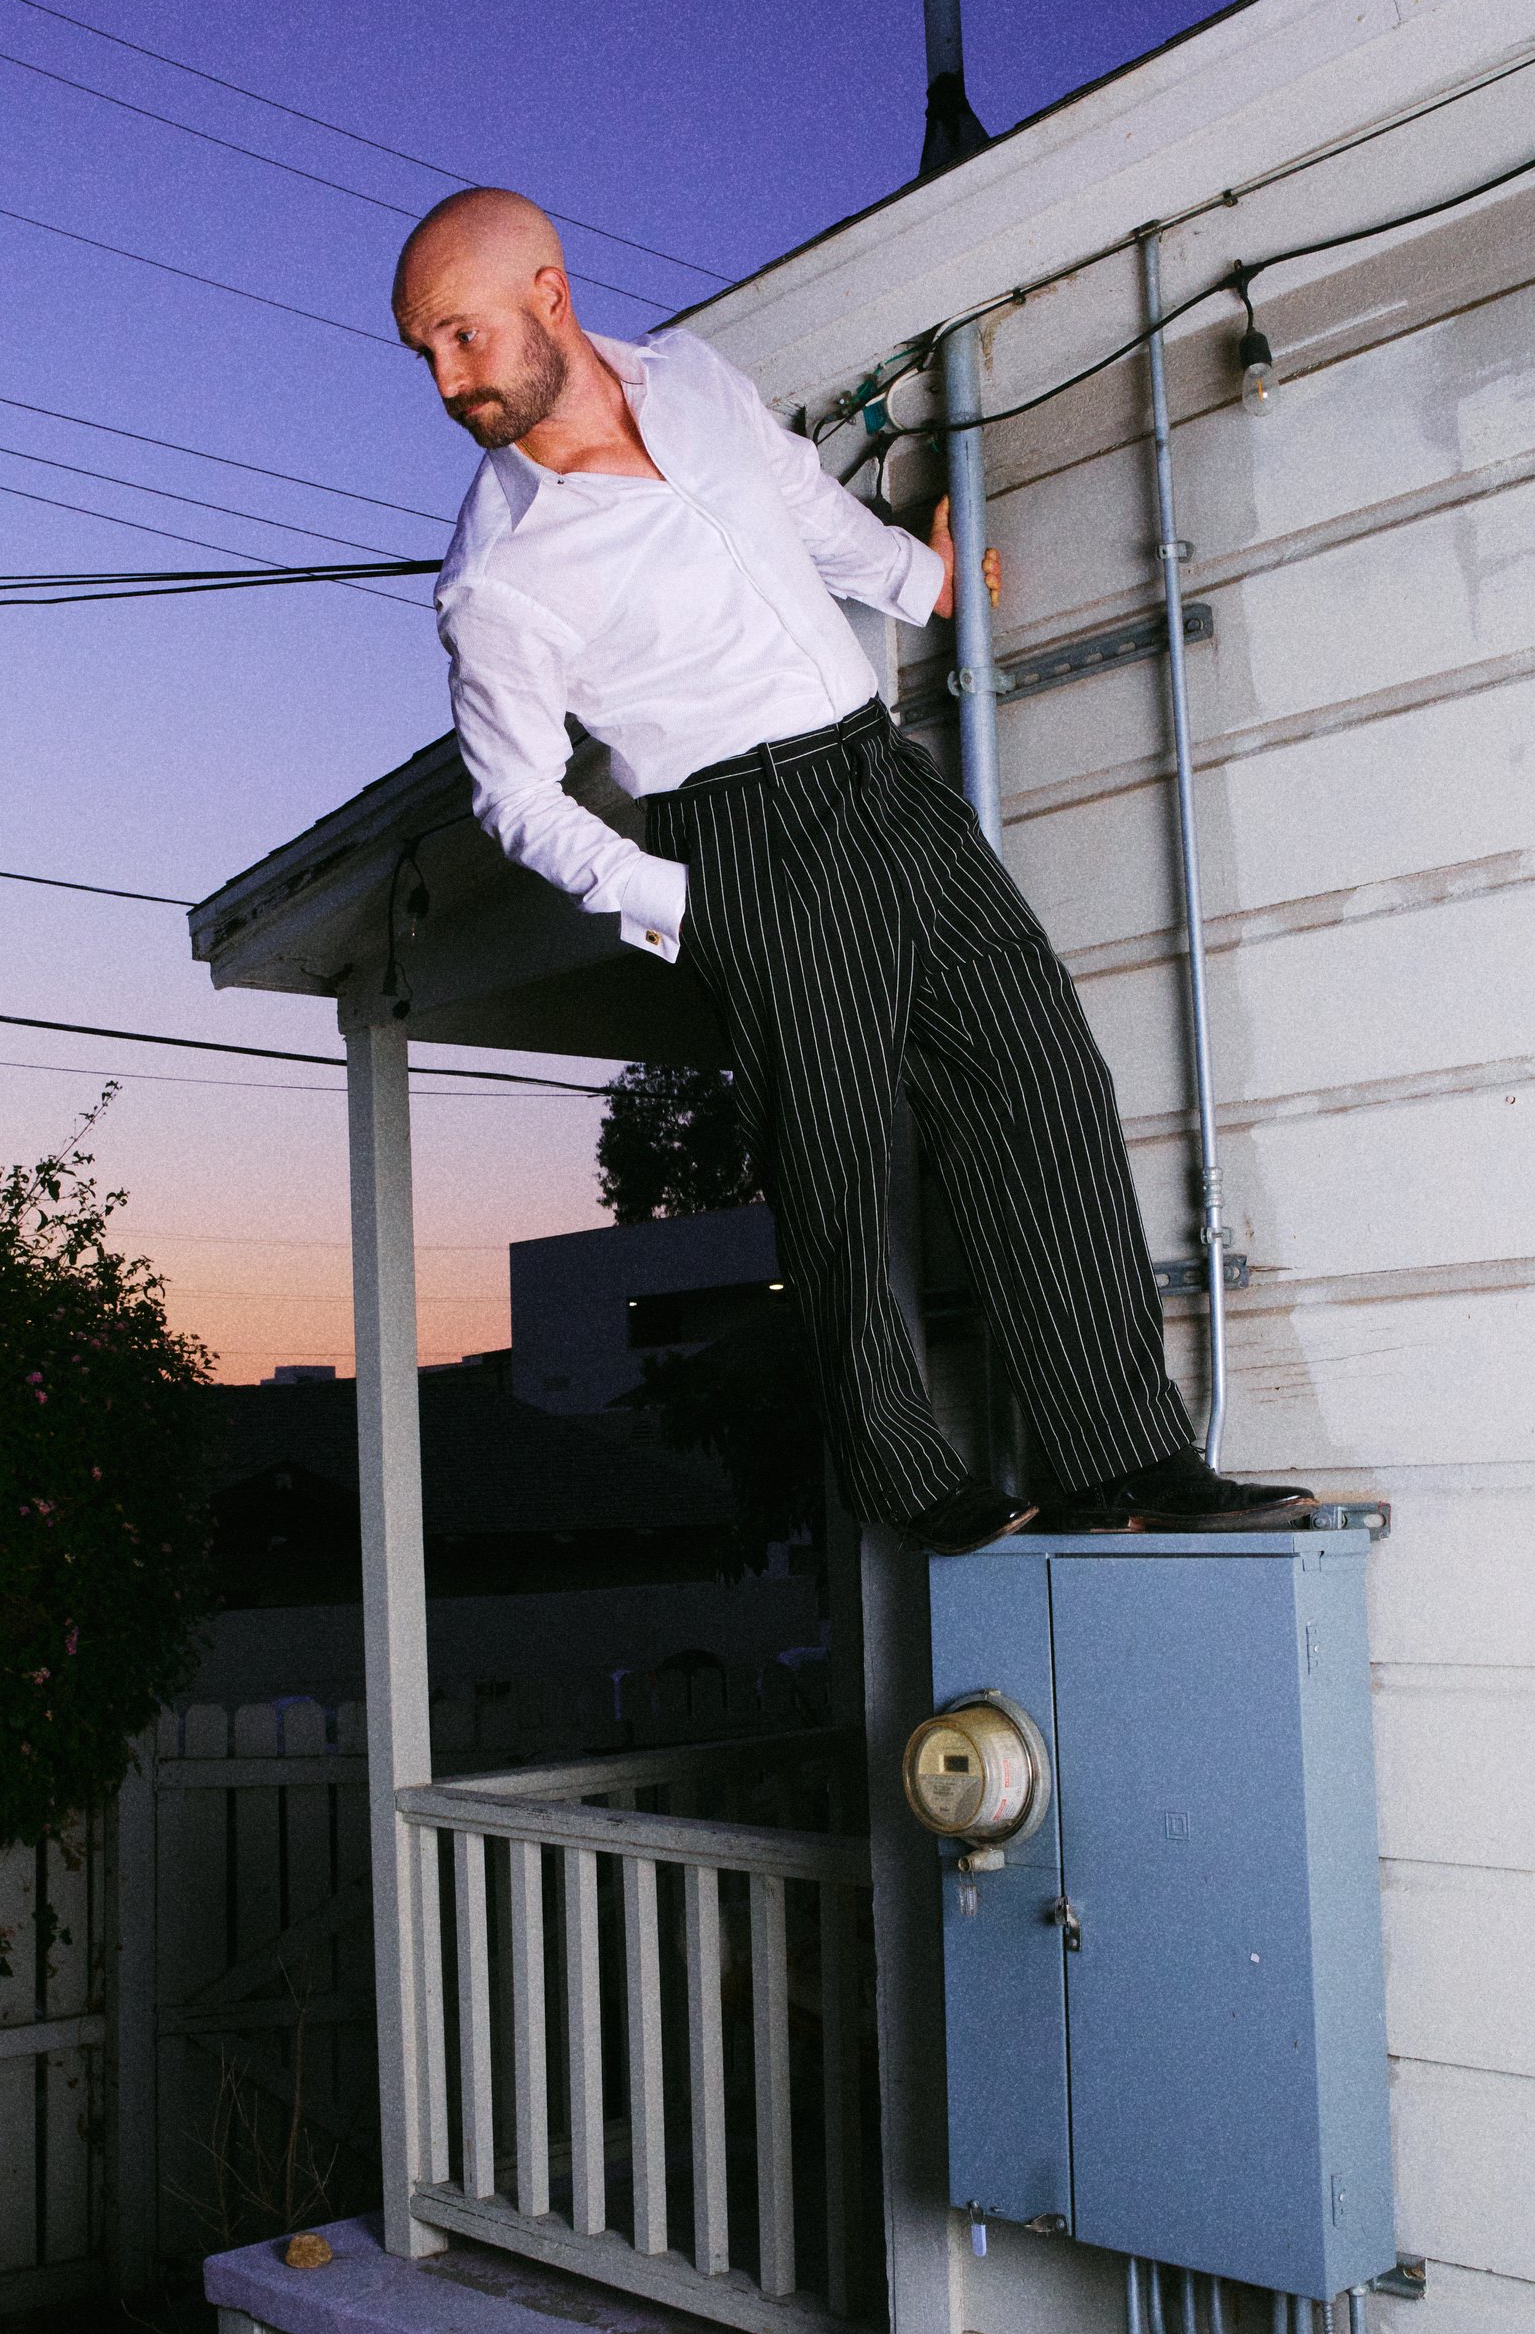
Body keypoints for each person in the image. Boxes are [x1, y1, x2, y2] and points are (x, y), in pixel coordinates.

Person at [392, 185, 1311, 1550]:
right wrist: (686, 907)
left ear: (547, 290)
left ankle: (1125, 1454)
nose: (450, 380)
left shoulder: (693, 379)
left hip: (881, 778)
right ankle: (907, 1476)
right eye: (427, 356)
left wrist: (917, 584)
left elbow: (797, 503)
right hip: (743, 838)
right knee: (838, 1172)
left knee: (1042, 1081)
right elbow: (515, 800)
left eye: (460, 335)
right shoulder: (499, 575)